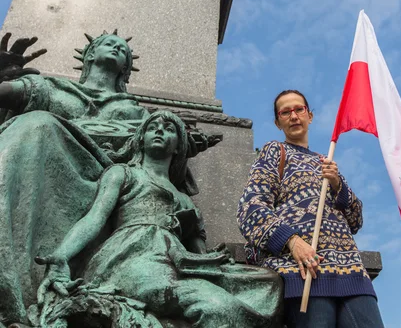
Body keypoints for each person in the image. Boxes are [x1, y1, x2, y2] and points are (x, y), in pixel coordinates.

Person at [36, 111, 283, 327]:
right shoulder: (123, 173)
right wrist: (61, 256)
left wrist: (213, 257)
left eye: (168, 129)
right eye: (152, 128)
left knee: (269, 283)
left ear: (178, 146)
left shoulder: (185, 200)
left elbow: (199, 252)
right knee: (218, 307)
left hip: (178, 263)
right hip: (131, 257)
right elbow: (94, 218)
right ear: (140, 139)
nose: (159, 131)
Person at [0, 31, 149, 324]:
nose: (117, 48)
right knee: (35, 125)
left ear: (125, 70)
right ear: (89, 55)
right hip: (39, 166)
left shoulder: (137, 113)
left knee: (38, 124)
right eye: (109, 44)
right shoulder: (51, 89)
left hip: (104, 181)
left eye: (123, 50)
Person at [237, 89, 385, 327]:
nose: (293, 116)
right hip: (304, 273)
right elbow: (249, 209)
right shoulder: (275, 151)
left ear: (310, 116)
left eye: (299, 109)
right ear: (278, 122)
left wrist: (338, 185)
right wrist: (292, 241)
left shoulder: (326, 163)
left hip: (351, 272)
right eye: (285, 112)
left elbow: (356, 220)